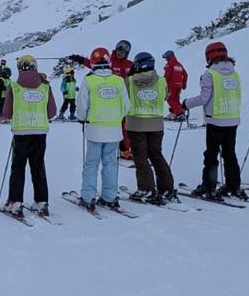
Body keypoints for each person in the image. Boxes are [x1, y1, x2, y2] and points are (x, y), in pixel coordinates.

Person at [182, 41, 247, 200]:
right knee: (230, 154)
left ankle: (209, 187)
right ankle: (234, 186)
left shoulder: (209, 74)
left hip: (216, 120)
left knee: (211, 155)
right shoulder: (234, 73)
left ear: (208, 57)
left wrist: (186, 103)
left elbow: (204, 98)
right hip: (232, 119)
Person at [0, 55, 57, 216]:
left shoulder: (14, 87)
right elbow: (52, 112)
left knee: (18, 167)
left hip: (21, 132)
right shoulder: (45, 86)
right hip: (40, 132)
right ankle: (41, 201)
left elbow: (7, 113)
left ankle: (15, 202)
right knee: (38, 166)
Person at [75, 47, 130, 211]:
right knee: (110, 163)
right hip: (113, 130)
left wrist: (83, 118)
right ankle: (110, 196)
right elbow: (126, 106)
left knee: (91, 163)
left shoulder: (89, 80)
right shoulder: (118, 81)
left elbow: (82, 105)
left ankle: (88, 196)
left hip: (95, 130)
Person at [125, 52, 178, 204]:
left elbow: (124, 96)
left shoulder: (129, 81)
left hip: (136, 124)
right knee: (156, 155)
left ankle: (146, 188)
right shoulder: (161, 81)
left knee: (140, 157)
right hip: (156, 123)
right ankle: (166, 187)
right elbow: (166, 96)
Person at [163, 50, 189, 119]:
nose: (165, 59)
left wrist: (162, 84)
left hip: (171, 86)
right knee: (176, 100)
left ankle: (180, 114)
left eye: (166, 58)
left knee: (170, 99)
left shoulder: (169, 65)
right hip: (179, 86)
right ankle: (174, 113)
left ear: (168, 57)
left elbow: (167, 76)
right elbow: (185, 74)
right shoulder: (179, 64)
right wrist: (184, 84)